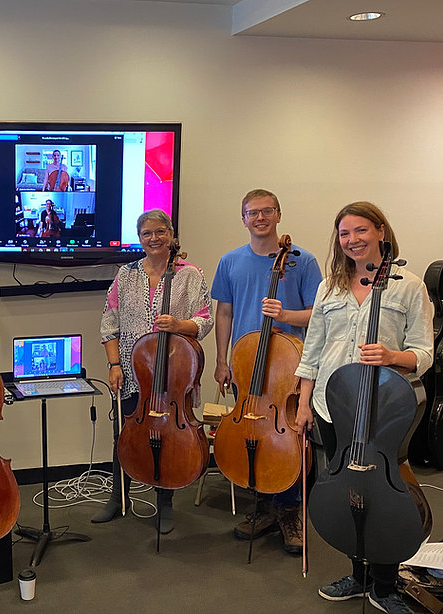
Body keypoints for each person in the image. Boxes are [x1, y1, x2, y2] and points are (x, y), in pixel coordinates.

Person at [295, 202, 433, 614]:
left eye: (360, 231)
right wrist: (303, 401)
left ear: (380, 232)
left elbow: (424, 353)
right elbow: (313, 350)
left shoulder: (408, 285)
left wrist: (393, 356)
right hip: (331, 404)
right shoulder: (329, 287)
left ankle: (386, 583)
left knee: (382, 492)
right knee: (347, 491)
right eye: (343, 233)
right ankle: (357, 575)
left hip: (385, 406)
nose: (352, 240)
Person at [211, 188, 322, 554]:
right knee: (251, 431)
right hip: (245, 361)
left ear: (278, 214)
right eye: (252, 212)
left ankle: (290, 511)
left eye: (266, 211)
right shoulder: (230, 261)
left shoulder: (301, 261)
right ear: (243, 218)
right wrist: (222, 359)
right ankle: (263, 507)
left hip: (287, 364)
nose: (259, 218)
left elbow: (317, 313)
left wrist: (285, 316)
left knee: (288, 436)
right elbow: (224, 312)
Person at [95, 209, 213, 528]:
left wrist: (179, 324)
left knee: (169, 437)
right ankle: (119, 496)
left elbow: (205, 319)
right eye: (147, 234)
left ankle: (165, 502)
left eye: (160, 232)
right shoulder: (126, 274)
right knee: (125, 435)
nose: (154, 238)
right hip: (133, 373)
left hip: (174, 374)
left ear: (171, 235)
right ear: (140, 239)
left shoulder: (189, 274)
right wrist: (114, 365)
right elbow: (109, 321)